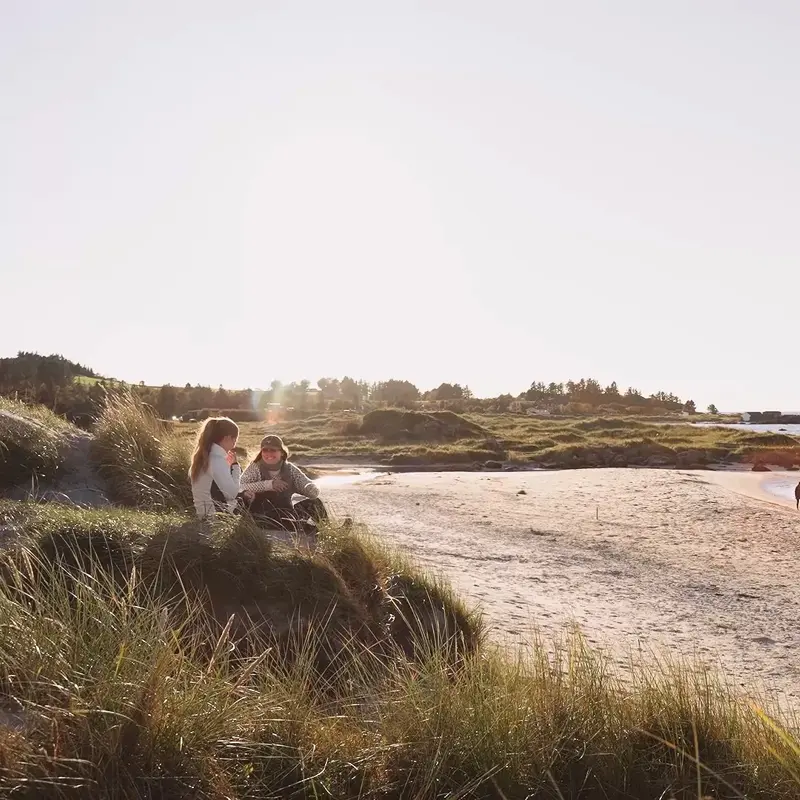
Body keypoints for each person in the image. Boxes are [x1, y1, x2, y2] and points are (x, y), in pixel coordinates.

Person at [239, 434, 326, 530]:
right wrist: (270, 485)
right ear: (261, 452)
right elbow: (240, 486)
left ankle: (326, 530)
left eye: (273, 450)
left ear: (281, 452)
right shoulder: (255, 468)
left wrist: (310, 488)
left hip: (286, 512)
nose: (269, 453)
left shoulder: (290, 469)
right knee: (300, 526)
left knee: (315, 503)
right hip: (263, 515)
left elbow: (305, 483)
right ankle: (306, 527)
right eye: (265, 450)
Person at [189, 417, 242, 518]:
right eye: (235, 439)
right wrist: (235, 467)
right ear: (227, 438)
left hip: (203, 514)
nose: (234, 444)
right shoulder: (216, 460)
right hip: (216, 519)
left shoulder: (201, 458)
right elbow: (232, 494)